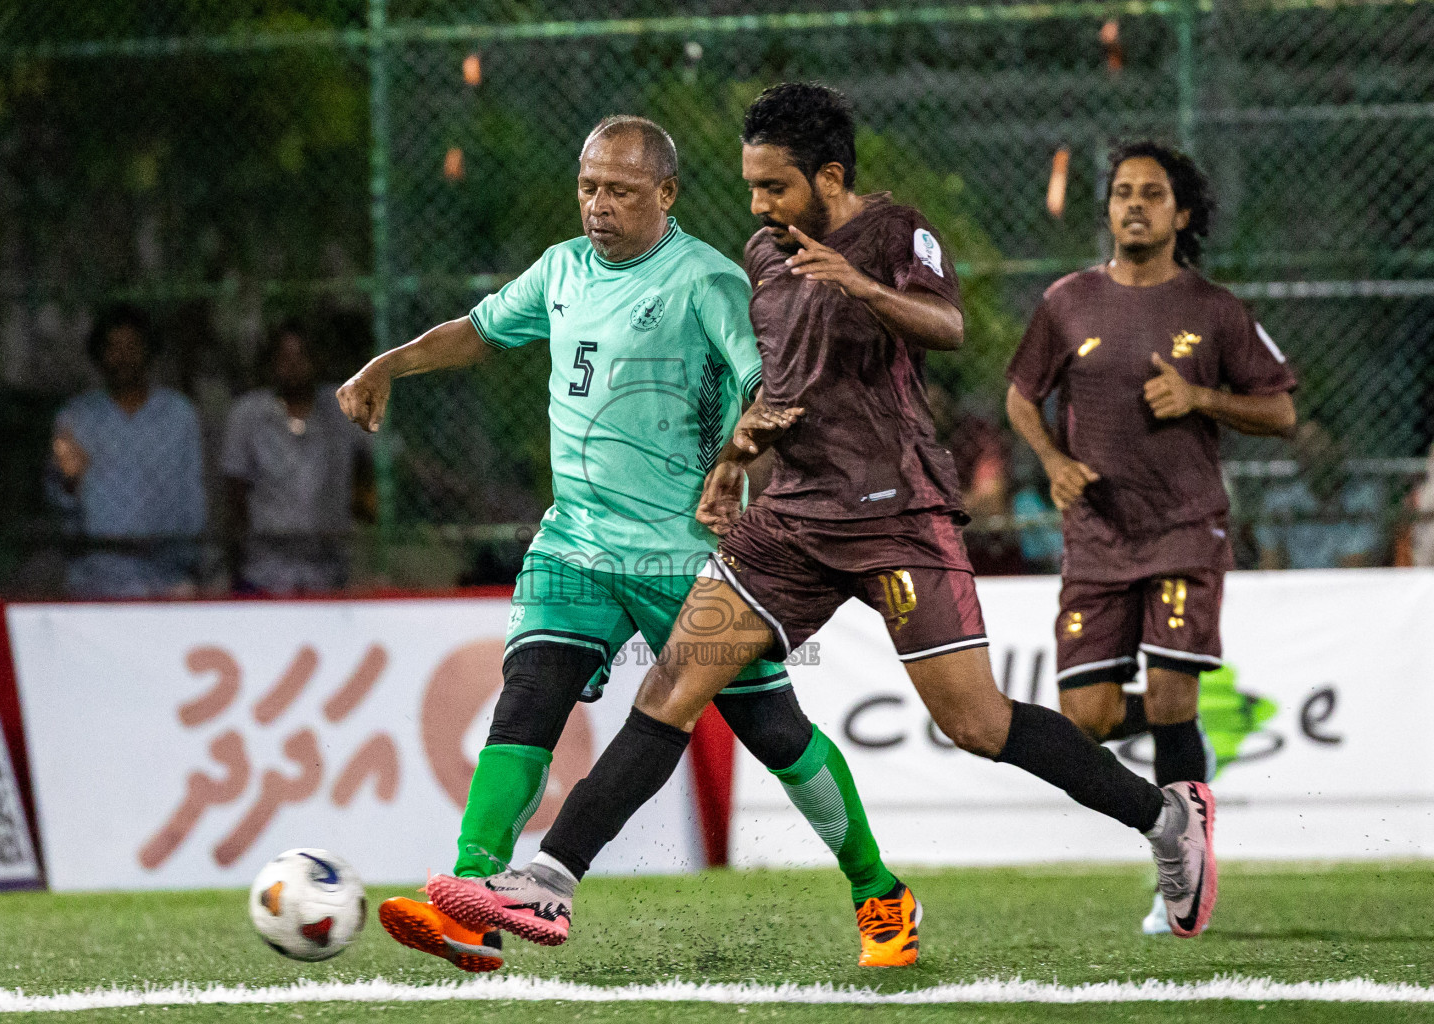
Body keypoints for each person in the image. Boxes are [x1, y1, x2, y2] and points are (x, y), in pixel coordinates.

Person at [427, 84, 1219, 950]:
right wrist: (734, 463)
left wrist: (859, 283)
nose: (759, 207)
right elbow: (781, 394)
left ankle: (1161, 818)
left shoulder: (893, 232)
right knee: (672, 687)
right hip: (793, 521)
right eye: (753, 187)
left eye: (774, 188)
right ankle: (550, 881)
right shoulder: (765, 257)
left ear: (829, 175)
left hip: (897, 515)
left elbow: (948, 325)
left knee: (978, 723)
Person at [338, 115, 915, 970]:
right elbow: (478, 329)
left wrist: (734, 460)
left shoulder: (708, 282)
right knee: (530, 693)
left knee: (775, 730)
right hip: (575, 542)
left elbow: (771, 391)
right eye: (588, 188)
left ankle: (878, 893)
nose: (598, 206)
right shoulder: (562, 268)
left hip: (687, 555)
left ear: (667, 194)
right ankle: (473, 898)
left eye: (619, 191)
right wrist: (390, 363)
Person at [1003, 141, 1297, 933]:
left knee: (1169, 695)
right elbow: (1021, 394)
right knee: (1087, 715)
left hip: (1183, 529)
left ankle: (1181, 873)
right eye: (1123, 192)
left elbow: (1280, 409)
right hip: (1096, 539)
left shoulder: (1214, 310)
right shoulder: (1067, 301)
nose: (1134, 204)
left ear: (1183, 213)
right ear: (1108, 208)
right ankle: (1185, 756)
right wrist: (1053, 461)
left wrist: (1200, 395)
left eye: (1152, 193)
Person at [48, 305, 206, 598]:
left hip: (168, 580)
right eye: (113, 348)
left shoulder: (179, 415)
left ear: (148, 351)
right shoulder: (74, 418)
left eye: (132, 346)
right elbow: (60, 504)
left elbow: (192, 500)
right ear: (98, 355)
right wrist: (69, 481)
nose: (123, 357)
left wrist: (192, 569)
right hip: (96, 582)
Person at [221, 322, 375, 594]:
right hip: (265, 570)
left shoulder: (344, 409)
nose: (292, 365)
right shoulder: (248, 414)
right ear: (270, 364)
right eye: (284, 357)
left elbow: (380, 459)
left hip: (328, 571)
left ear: (317, 360)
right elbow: (234, 490)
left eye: (301, 356)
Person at [1256, 421, 1384, 570]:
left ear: (1337, 447)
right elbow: (1269, 566)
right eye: (1302, 444)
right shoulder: (1279, 499)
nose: (1308, 452)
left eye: (1315, 442)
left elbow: (1353, 568)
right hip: (1293, 587)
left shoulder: (1360, 497)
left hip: (1341, 587)